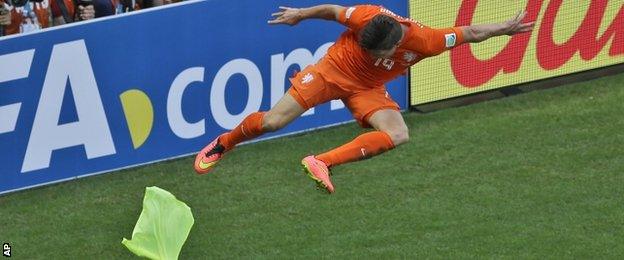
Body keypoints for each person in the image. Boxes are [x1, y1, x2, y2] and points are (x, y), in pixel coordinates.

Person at [193, 4, 534, 193]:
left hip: (368, 89)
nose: (372, 55)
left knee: (399, 134)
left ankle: (322, 161)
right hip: (331, 71)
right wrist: (301, 14)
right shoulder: (366, 17)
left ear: (395, 44)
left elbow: (471, 33)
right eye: (367, 49)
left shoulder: (426, 41)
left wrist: (505, 27)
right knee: (273, 121)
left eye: (377, 52)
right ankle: (225, 142)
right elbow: (332, 11)